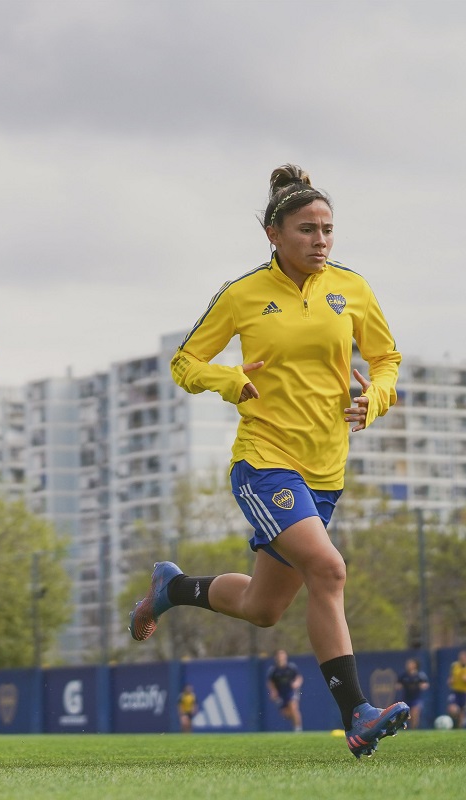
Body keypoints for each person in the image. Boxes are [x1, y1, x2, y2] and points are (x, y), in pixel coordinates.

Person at [130, 164, 409, 759]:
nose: (321, 240)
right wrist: (229, 380)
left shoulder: (352, 289)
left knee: (264, 608)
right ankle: (357, 714)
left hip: (326, 470)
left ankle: (175, 587)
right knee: (328, 570)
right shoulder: (243, 295)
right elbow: (184, 364)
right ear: (273, 234)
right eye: (307, 229)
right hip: (265, 462)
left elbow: (387, 359)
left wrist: (374, 397)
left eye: (328, 229)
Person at [266, 649, 304, 732]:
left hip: (291, 691)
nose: (281, 657)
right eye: (279, 656)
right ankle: (295, 722)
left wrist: (296, 683)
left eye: (282, 655)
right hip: (280, 693)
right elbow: (270, 682)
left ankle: (298, 729)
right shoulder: (273, 670)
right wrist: (273, 691)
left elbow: (299, 677)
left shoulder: (291, 667)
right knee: (286, 714)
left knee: (293, 708)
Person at [397, 658, 430, 730]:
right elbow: (398, 685)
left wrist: (422, 685)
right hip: (406, 698)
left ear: (415, 665)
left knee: (415, 713)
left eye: (410, 664)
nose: (408, 665)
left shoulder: (420, 675)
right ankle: (405, 728)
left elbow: (426, 684)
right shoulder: (404, 675)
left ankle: (414, 729)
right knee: (406, 716)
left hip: (416, 698)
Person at [447, 649, 466, 729]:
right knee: (452, 709)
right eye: (461, 656)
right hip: (455, 691)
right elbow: (450, 677)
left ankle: (459, 729)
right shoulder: (454, 665)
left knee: (462, 712)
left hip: (465, 692)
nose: (462, 658)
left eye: (464, 656)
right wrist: (450, 680)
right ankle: (454, 724)